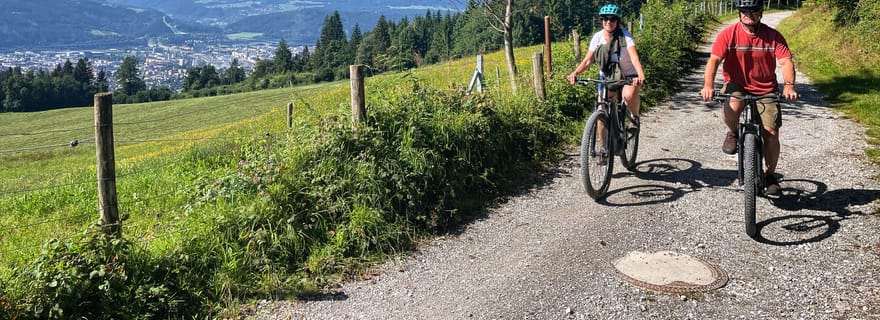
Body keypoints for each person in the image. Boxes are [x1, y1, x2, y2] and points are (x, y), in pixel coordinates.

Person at [699, 0, 798, 196]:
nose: (748, 14)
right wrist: (708, 85)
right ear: (739, 12)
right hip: (737, 84)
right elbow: (714, 61)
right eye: (744, 10)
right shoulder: (729, 34)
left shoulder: (772, 36)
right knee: (733, 106)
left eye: (752, 10)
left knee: (771, 131)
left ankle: (770, 176)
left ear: (761, 12)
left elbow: (786, 62)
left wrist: (789, 85)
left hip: (766, 88)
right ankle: (734, 132)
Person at [566, 3, 646, 121]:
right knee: (601, 108)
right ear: (602, 21)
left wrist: (640, 75)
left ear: (618, 21)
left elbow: (634, 57)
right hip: (608, 76)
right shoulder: (597, 37)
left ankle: (635, 118)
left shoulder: (625, 36)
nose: (608, 22)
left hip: (628, 75)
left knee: (628, 96)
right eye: (605, 18)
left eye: (612, 19)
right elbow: (588, 60)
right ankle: (606, 139)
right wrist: (575, 73)